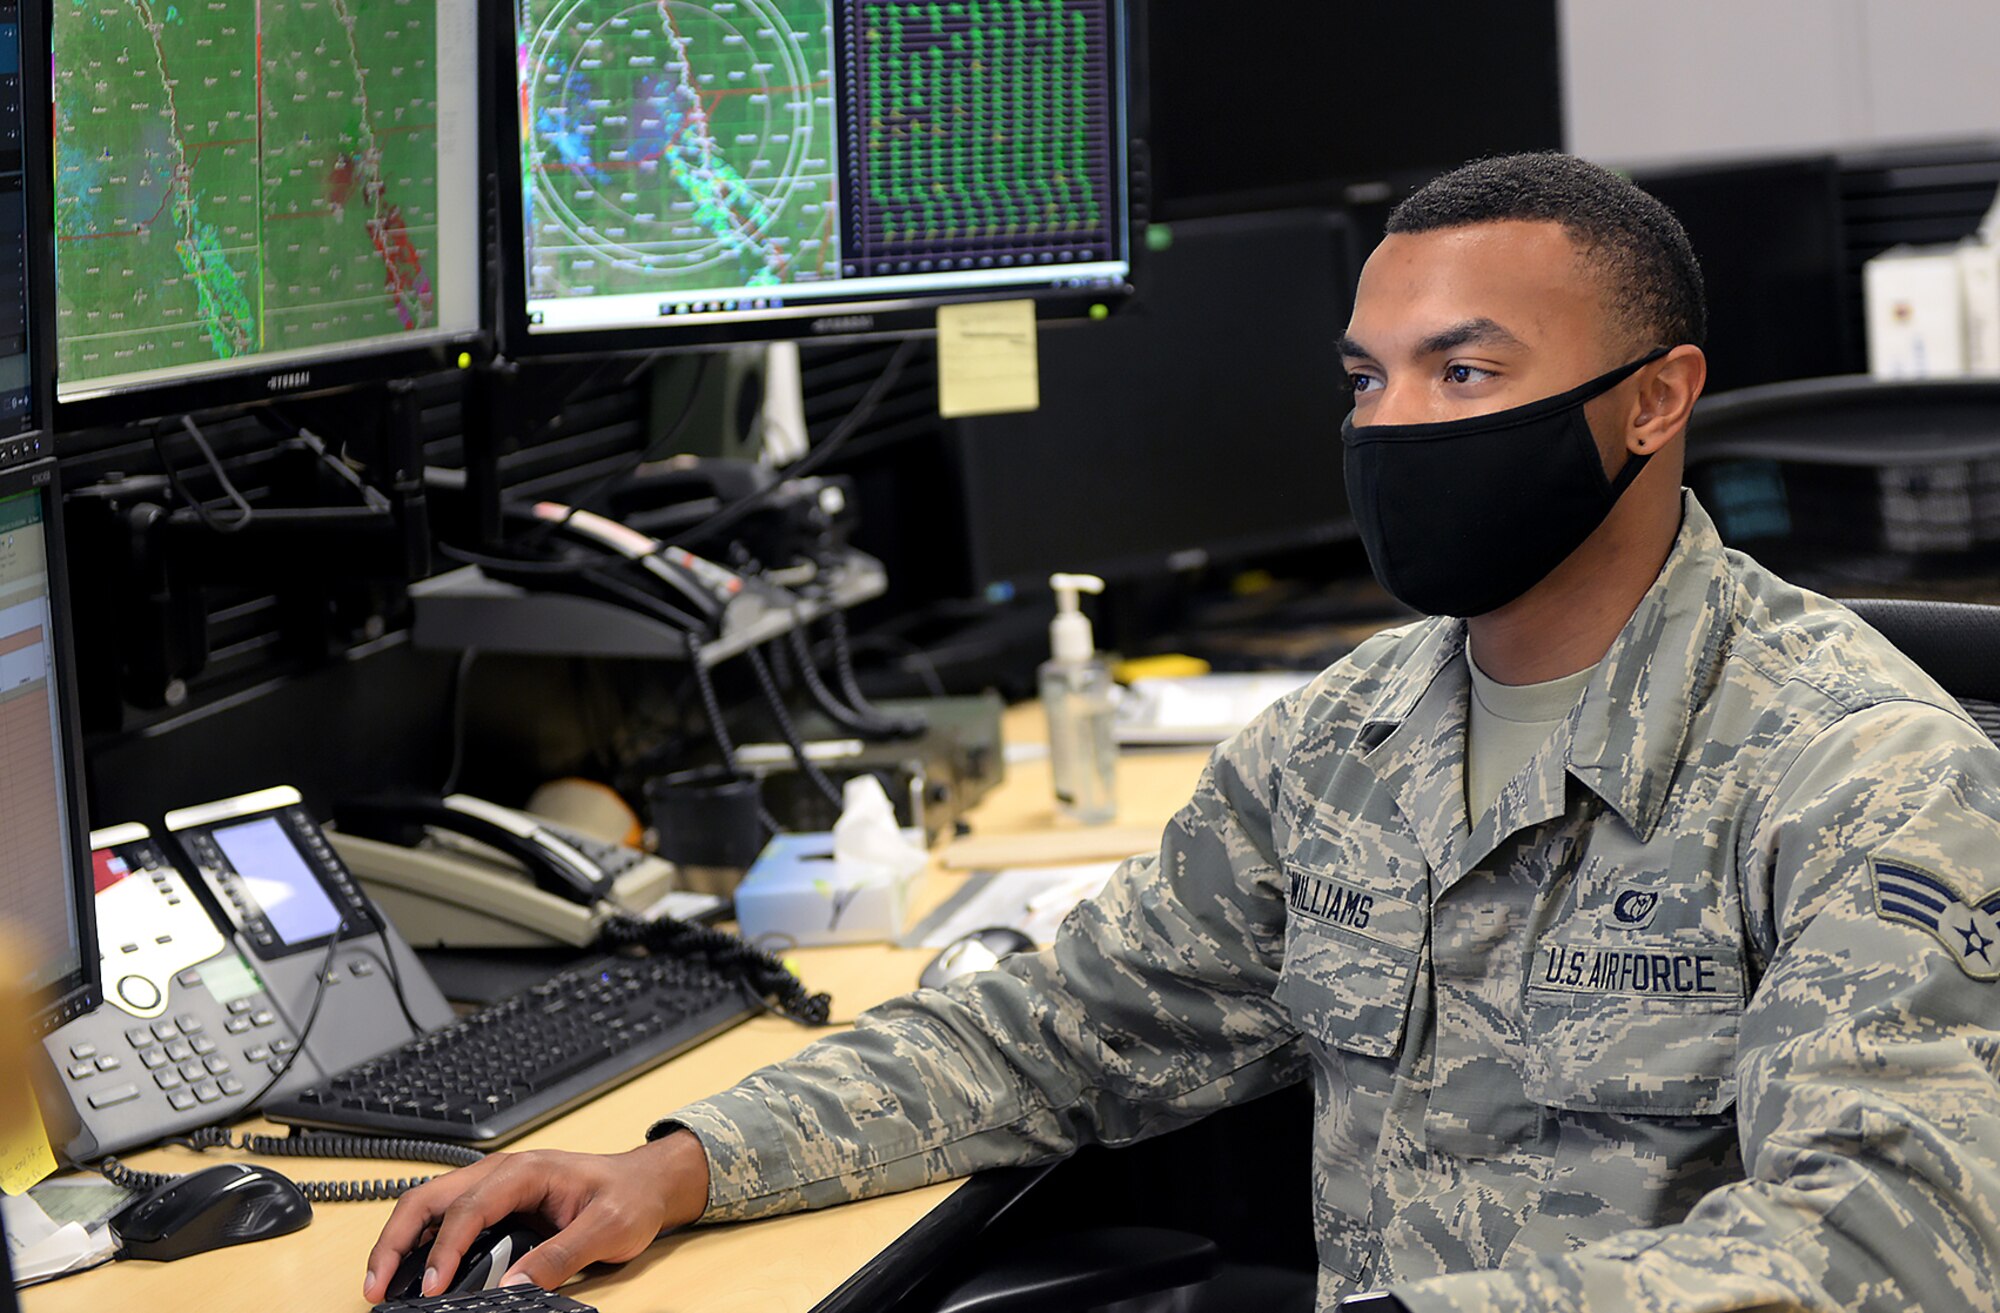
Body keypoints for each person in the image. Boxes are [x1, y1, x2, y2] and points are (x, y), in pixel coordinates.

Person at [365, 154, 2000, 1313]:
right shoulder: (1339, 746)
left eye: (1467, 371)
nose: (1396, 426)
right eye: (1369, 380)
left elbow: (1884, 1245)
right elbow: (1057, 1033)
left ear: (1656, 399)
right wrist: (682, 1160)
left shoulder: (1861, 771)